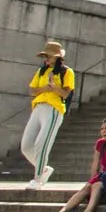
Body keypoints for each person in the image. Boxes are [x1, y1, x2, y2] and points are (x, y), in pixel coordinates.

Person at [52, 118, 106, 212]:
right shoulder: (100, 143)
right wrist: (92, 180)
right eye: (102, 129)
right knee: (88, 187)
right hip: (104, 175)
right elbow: (95, 163)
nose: (103, 131)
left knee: (97, 185)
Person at [23, 41, 74, 189]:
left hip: (54, 109)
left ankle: (38, 179)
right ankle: (44, 169)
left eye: (49, 56)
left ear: (57, 57)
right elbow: (33, 90)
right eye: (45, 56)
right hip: (38, 107)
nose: (46, 58)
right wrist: (45, 87)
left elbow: (65, 94)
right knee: (26, 146)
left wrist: (54, 87)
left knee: (42, 143)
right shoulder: (42, 71)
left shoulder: (67, 72)